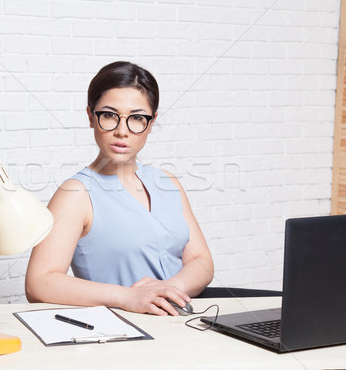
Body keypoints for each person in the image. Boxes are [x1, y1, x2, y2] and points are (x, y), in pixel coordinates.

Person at [25, 61, 214, 316]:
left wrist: (167, 290)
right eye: (109, 116)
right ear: (91, 116)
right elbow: (39, 283)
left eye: (136, 118)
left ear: (151, 122)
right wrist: (127, 297)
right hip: (124, 335)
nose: (122, 131)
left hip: (185, 326)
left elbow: (202, 261)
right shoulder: (76, 195)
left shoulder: (167, 182)